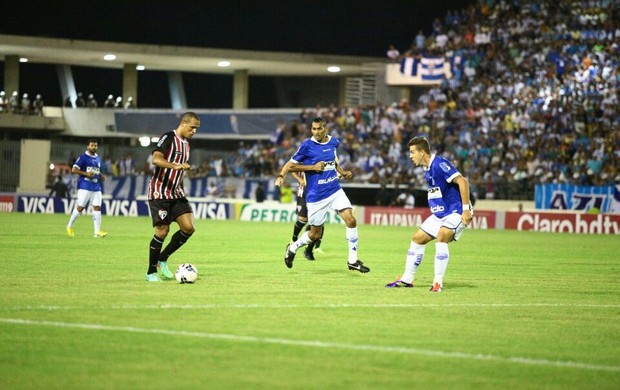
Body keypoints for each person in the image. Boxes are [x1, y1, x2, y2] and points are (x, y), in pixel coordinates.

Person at [275, 117, 369, 273]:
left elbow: (333, 162)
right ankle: (293, 247)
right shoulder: (307, 146)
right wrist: (283, 175)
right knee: (314, 234)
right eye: (313, 129)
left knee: (351, 220)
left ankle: (353, 261)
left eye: (319, 129)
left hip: (334, 189)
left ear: (326, 129)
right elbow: (290, 166)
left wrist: (343, 172)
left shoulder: (334, 142)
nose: (316, 132)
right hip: (316, 196)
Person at [386, 137, 473, 292]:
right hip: (441, 214)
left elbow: (463, 181)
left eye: (413, 152)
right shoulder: (427, 171)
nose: (411, 156)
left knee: (442, 236)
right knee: (417, 239)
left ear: (422, 152)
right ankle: (407, 278)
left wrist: (466, 209)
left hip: (456, 211)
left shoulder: (439, 164)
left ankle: (437, 283)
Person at [145, 112, 200, 282]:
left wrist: (180, 184)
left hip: (175, 193)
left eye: (196, 129)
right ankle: (151, 272)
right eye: (192, 127)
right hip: (159, 192)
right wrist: (175, 166)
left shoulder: (186, 145)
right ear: (183, 124)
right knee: (162, 231)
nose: (194, 131)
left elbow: (179, 173)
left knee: (188, 228)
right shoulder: (169, 137)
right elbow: (156, 160)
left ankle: (162, 258)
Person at [66, 139, 108, 238]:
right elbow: (74, 169)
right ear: (88, 147)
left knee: (97, 207)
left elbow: (95, 170)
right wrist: (85, 174)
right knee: (80, 208)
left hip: (96, 187)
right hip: (85, 186)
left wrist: (101, 175)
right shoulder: (83, 158)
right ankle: (69, 226)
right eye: (92, 145)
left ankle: (97, 232)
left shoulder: (98, 158)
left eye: (95, 146)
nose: (94, 147)